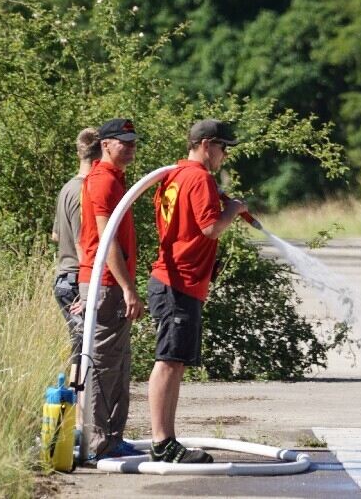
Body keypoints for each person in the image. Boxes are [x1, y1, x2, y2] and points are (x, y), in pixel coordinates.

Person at [146, 119, 247, 463]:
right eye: (223, 148)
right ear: (206, 144)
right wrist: (233, 209)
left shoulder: (175, 174)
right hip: (178, 283)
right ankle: (161, 442)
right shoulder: (200, 177)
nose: (225, 155)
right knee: (169, 362)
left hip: (177, 280)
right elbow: (209, 228)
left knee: (175, 362)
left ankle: (167, 441)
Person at [78, 118, 145, 459]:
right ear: (106, 144)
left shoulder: (117, 179)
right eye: (124, 141)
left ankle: (112, 439)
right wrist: (128, 288)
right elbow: (107, 243)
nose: (131, 147)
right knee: (103, 364)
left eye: (133, 141)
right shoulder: (103, 181)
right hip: (107, 285)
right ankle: (99, 443)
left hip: (105, 284)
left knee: (118, 363)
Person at [51, 127, 101, 429]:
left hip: (63, 276)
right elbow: (86, 245)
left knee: (79, 348)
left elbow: (57, 235)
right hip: (76, 279)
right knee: (85, 351)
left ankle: (75, 421)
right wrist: (89, 290)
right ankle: (78, 423)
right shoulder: (86, 191)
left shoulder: (67, 187)